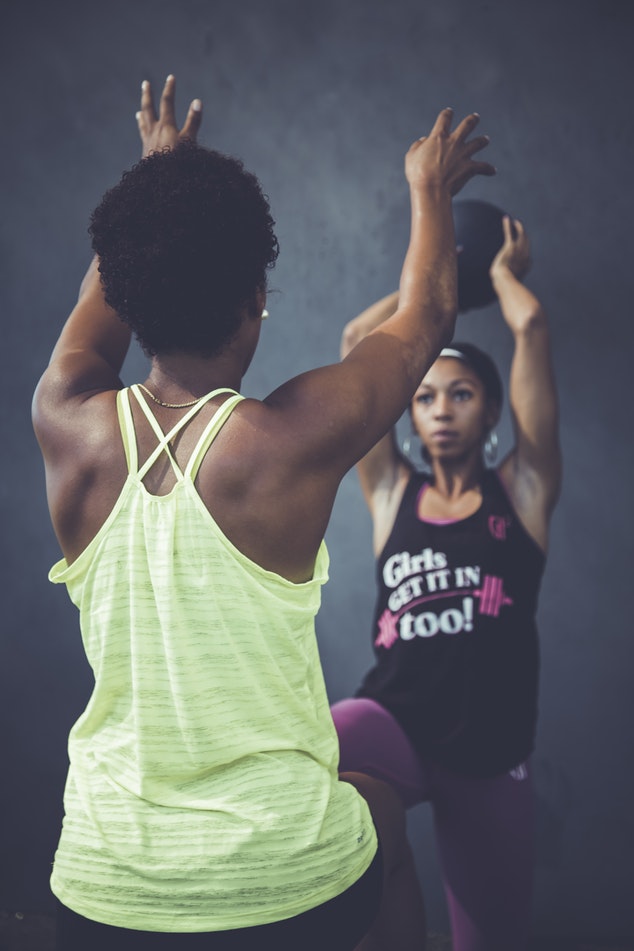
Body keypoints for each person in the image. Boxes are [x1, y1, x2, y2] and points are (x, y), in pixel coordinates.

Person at [32, 74, 494, 951]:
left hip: (100, 893)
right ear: (255, 302)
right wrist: (429, 191)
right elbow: (427, 314)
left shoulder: (66, 419)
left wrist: (156, 179)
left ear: (128, 295)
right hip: (285, 892)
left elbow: (100, 316)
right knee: (383, 812)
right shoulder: (291, 439)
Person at [332, 217, 562, 951]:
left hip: (490, 748)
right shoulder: (391, 493)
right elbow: (351, 345)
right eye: (425, 396)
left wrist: (493, 276)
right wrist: (429, 286)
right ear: (409, 413)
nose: (439, 410)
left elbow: (529, 325)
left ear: (491, 410)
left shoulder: (523, 490)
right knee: (314, 738)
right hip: (395, 722)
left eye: (459, 394)